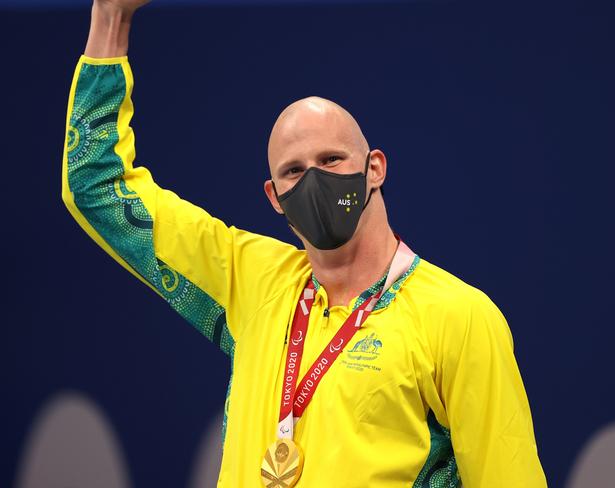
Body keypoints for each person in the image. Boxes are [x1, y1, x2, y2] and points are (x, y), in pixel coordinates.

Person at [62, 1, 548, 486]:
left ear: (374, 167)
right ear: (274, 197)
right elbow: (98, 186)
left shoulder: (460, 317)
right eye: (294, 171)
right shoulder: (252, 281)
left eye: (332, 159)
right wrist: (110, 17)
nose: (314, 181)